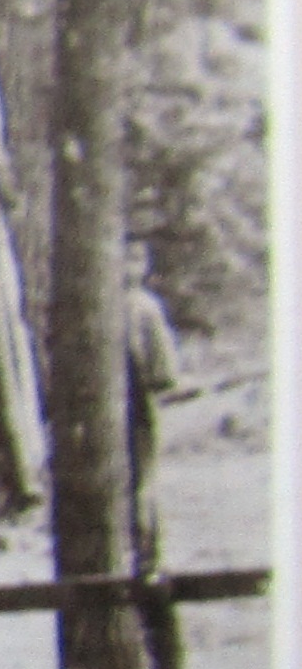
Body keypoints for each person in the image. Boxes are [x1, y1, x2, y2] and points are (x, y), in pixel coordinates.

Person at [126, 234, 187, 568]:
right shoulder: (108, 305)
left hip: (139, 406)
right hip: (117, 410)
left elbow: (164, 371)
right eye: (124, 258)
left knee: (142, 483)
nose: (130, 267)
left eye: (136, 259)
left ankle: (147, 554)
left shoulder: (146, 307)